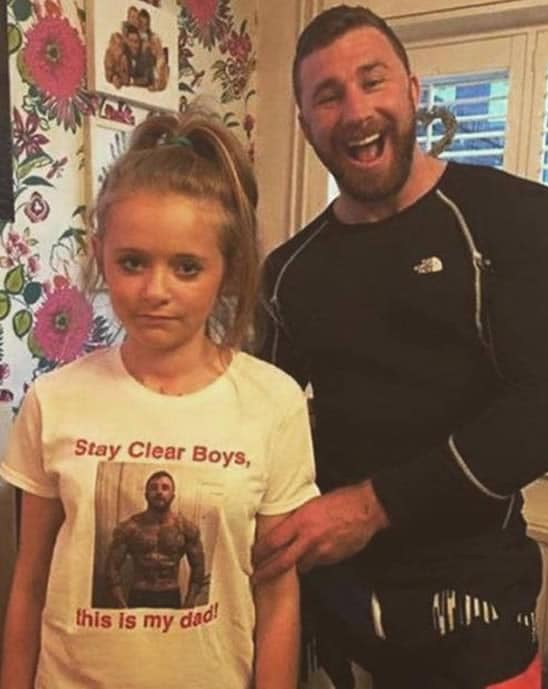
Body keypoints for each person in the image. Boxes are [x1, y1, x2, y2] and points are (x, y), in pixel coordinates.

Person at [253, 5, 548, 689]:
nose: (356, 110)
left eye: (372, 80)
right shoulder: (290, 271)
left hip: (477, 617)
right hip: (332, 615)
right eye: (328, 95)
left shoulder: (519, 217)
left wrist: (369, 506)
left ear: (413, 90)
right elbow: (260, 421)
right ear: (305, 123)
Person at [0, 108, 318, 689]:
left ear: (228, 269)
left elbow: (276, 597)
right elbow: (29, 585)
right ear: (101, 255)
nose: (155, 291)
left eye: (187, 268)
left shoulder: (274, 404)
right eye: (132, 263)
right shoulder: (53, 401)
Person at [105, 470, 205, 609]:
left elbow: (198, 568)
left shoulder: (185, 528)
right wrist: (120, 604)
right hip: (139, 594)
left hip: (170, 595)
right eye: (153, 488)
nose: (159, 492)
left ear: (173, 495)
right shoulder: (130, 528)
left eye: (165, 488)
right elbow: (111, 568)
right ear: (146, 494)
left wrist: (189, 602)